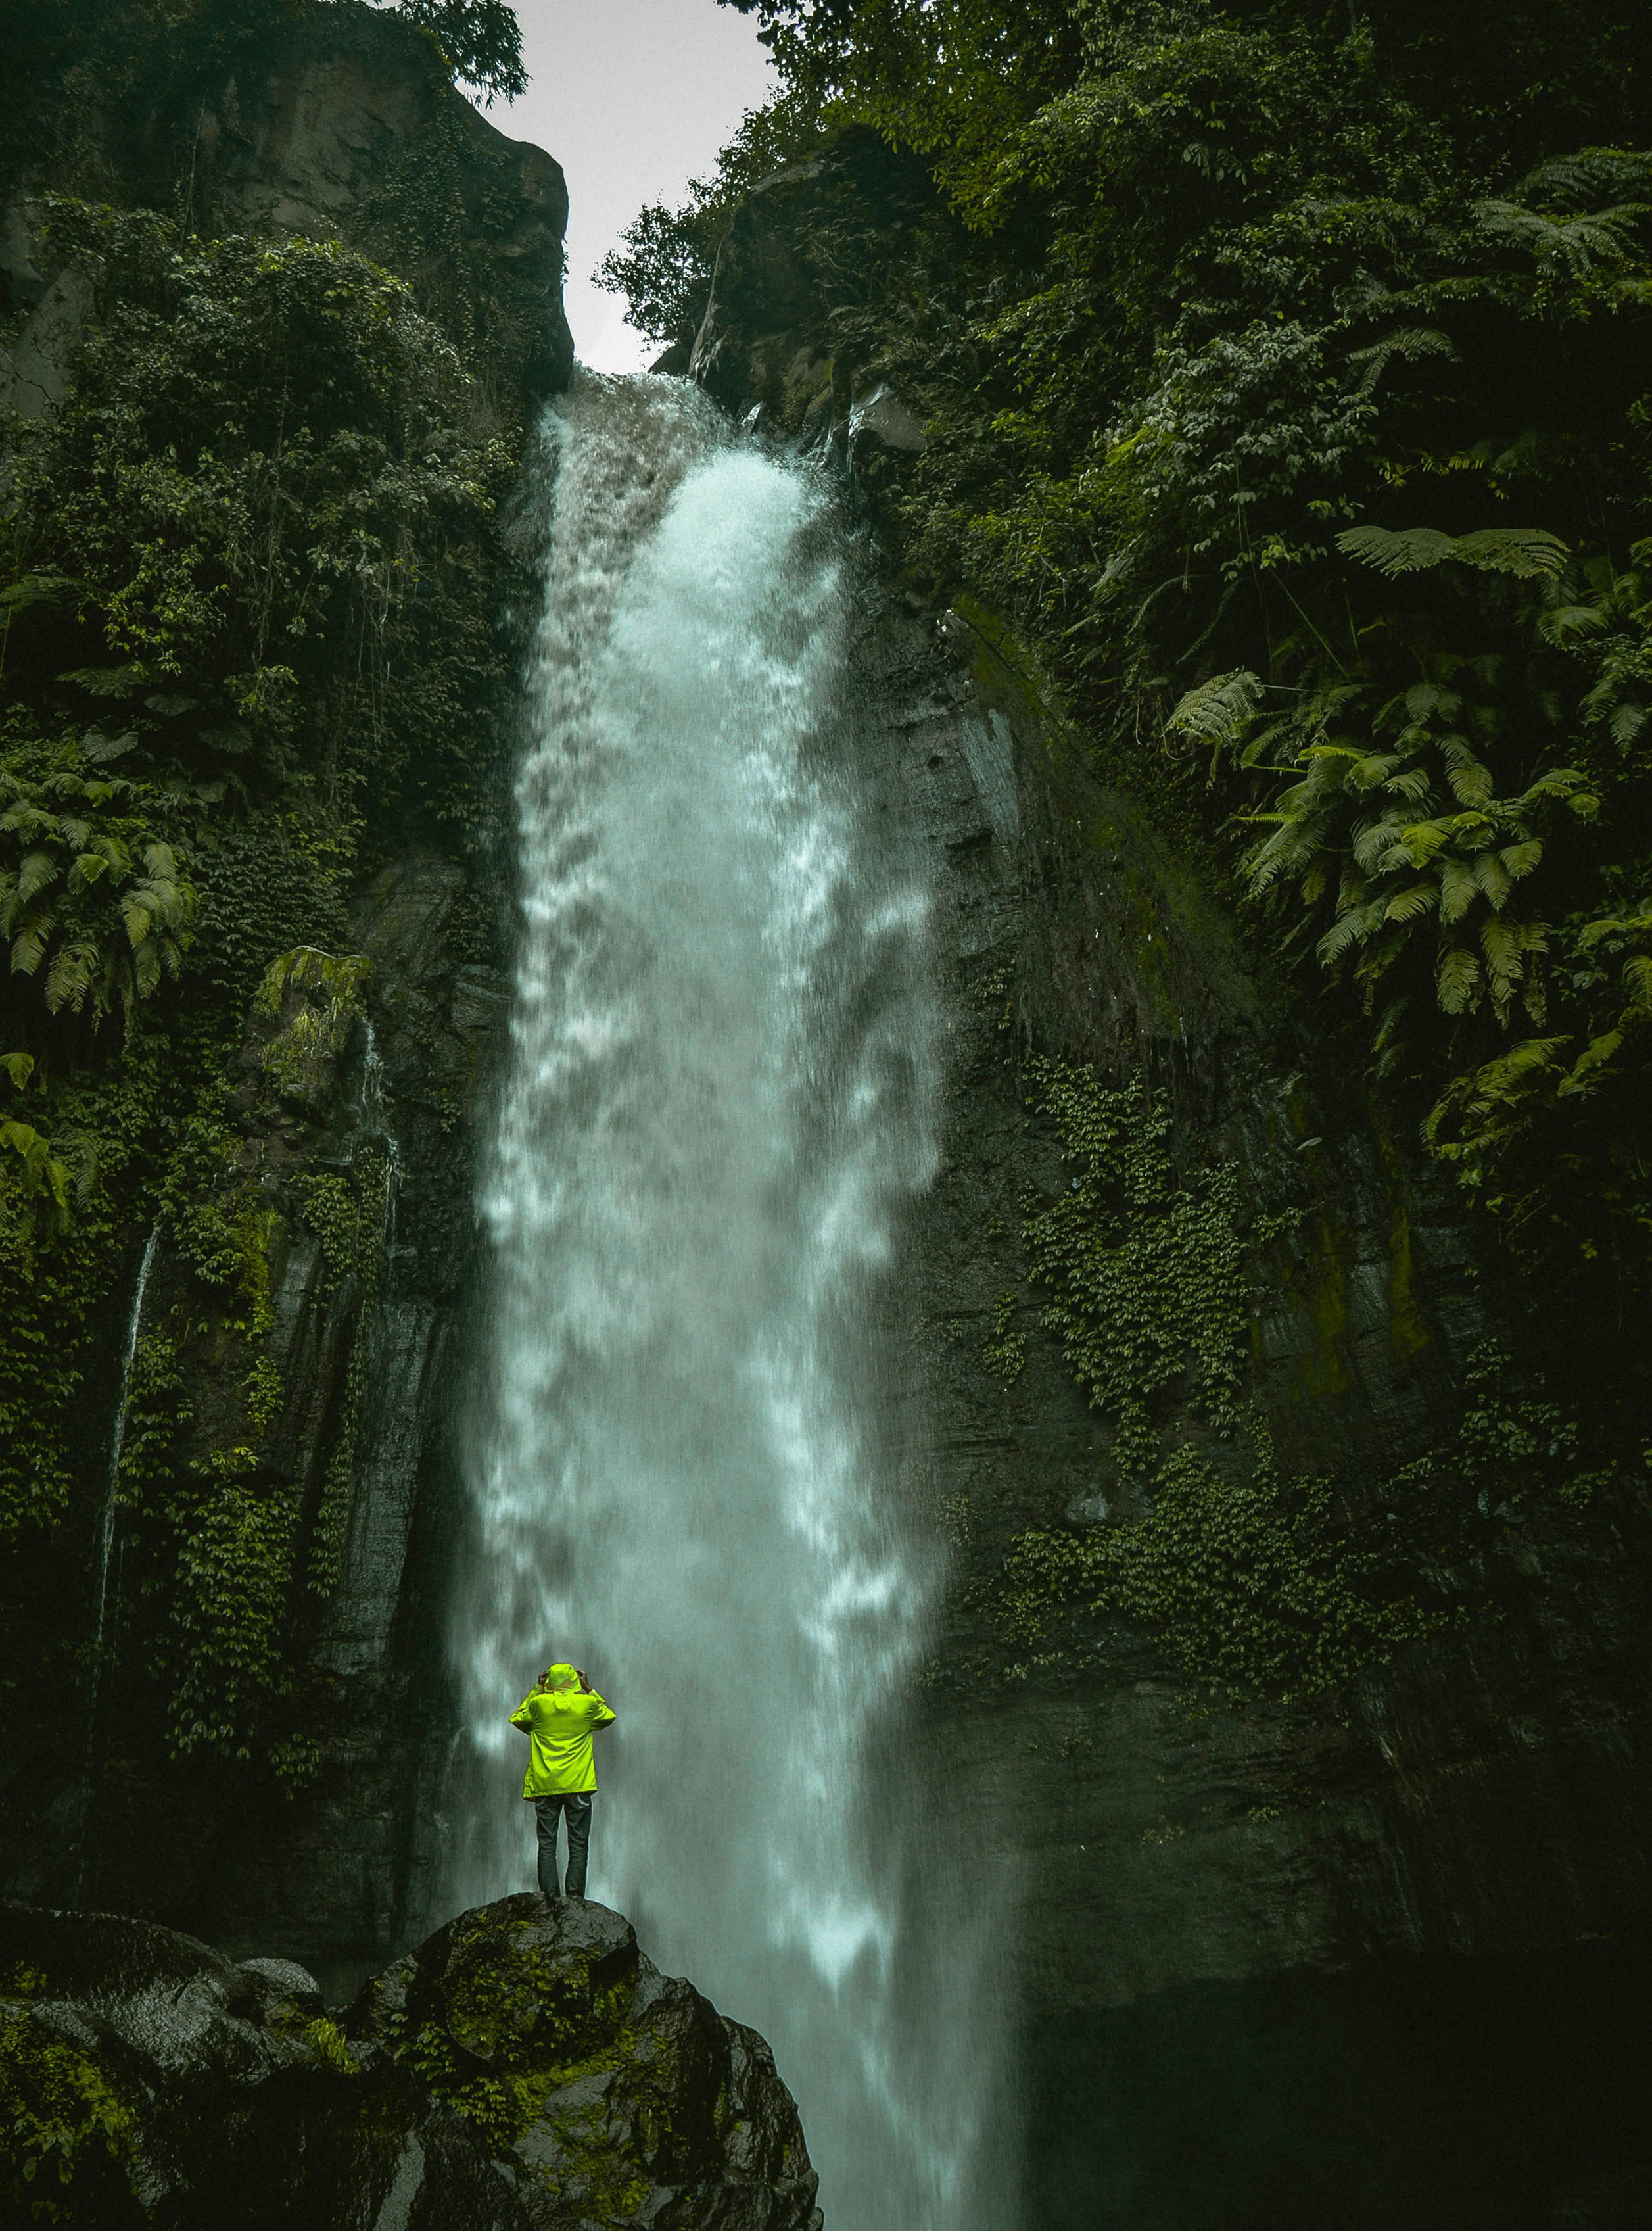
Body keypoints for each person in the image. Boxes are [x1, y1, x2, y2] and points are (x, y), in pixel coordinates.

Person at [509, 1660, 617, 1901]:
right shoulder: (587, 1705)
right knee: (579, 1844)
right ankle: (576, 1898)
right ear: (575, 1681)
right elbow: (608, 1716)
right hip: (579, 1784)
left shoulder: (538, 1706)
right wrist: (589, 1689)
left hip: (546, 1785)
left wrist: (537, 1689)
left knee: (547, 1843)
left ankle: (550, 1898)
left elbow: (518, 1718)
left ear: (549, 1682)